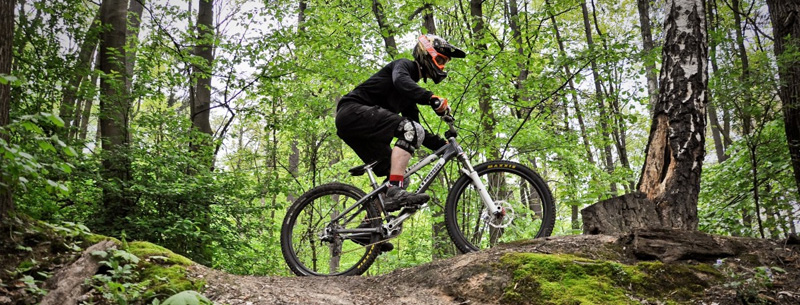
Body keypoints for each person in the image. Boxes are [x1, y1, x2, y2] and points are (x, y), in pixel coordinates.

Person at [335, 34, 466, 213]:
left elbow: (416, 127)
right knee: (398, 179)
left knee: (400, 176)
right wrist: (431, 98)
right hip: (352, 112)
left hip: (358, 130)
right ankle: (395, 191)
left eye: (445, 62)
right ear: (427, 53)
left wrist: (440, 144)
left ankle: (369, 228)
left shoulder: (406, 94)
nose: (442, 66)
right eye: (441, 59)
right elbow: (400, 81)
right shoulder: (403, 66)